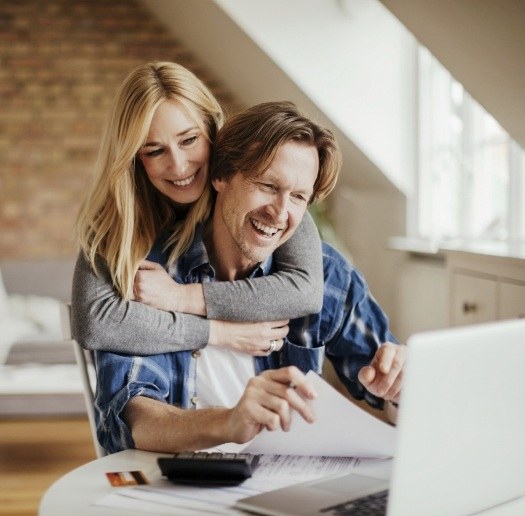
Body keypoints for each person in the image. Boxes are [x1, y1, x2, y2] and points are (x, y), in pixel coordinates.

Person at [95, 101, 405, 454]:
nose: (280, 213)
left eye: (298, 197)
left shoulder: (326, 273)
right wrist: (228, 422)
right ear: (220, 176)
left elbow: (388, 390)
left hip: (288, 484)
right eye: (268, 186)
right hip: (181, 485)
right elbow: (135, 419)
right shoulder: (151, 276)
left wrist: (399, 389)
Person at [72, 61, 326, 357]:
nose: (179, 166)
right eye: (155, 151)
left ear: (210, 128)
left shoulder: (255, 189)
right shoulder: (117, 218)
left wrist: (180, 298)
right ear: (134, 158)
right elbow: (95, 322)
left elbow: (305, 291)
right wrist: (218, 332)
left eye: (189, 140)